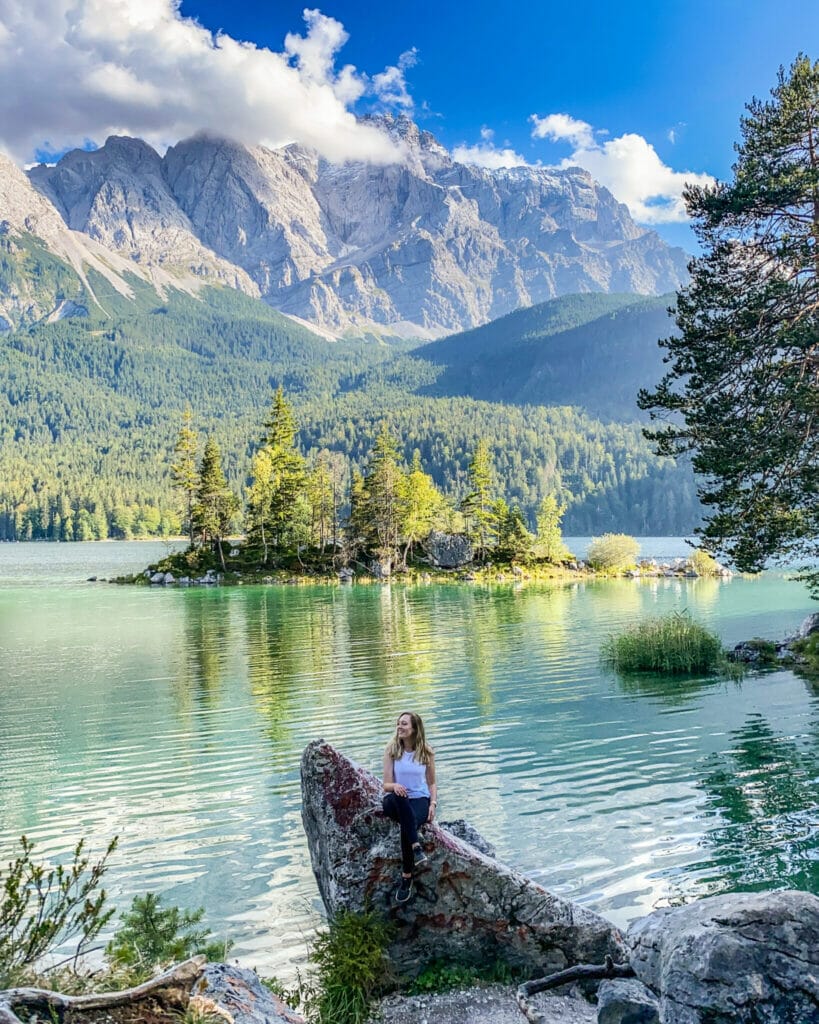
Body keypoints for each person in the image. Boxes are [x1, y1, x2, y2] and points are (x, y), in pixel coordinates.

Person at [382, 710, 437, 904]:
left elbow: (431, 783)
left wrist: (433, 803)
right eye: (398, 723)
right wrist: (395, 786)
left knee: (408, 823)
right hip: (395, 799)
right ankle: (416, 847)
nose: (399, 727)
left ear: (415, 729)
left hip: (419, 799)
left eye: (404, 724)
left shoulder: (426, 752)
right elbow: (385, 785)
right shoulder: (391, 750)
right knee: (400, 799)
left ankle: (407, 877)